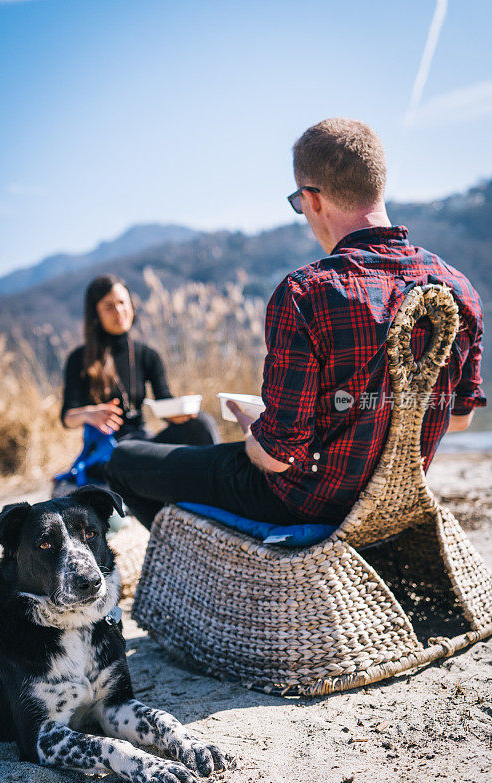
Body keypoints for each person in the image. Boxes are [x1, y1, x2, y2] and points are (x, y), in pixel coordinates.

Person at [105, 118, 487, 530]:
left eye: (298, 203)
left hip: (303, 502)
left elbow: (276, 458)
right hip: (397, 505)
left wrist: (256, 430)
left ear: (312, 199)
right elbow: (460, 417)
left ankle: (197, 552)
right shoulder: (458, 290)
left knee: (123, 462)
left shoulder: (308, 294)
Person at [59, 274, 220, 485]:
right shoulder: (80, 359)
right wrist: (90, 413)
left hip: (145, 441)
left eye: (122, 302)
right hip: (112, 450)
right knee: (133, 455)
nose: (119, 311)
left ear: (131, 305)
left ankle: (218, 484)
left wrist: (180, 410)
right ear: (96, 314)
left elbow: (164, 401)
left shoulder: (147, 355)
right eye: (109, 306)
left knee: (201, 423)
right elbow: (67, 417)